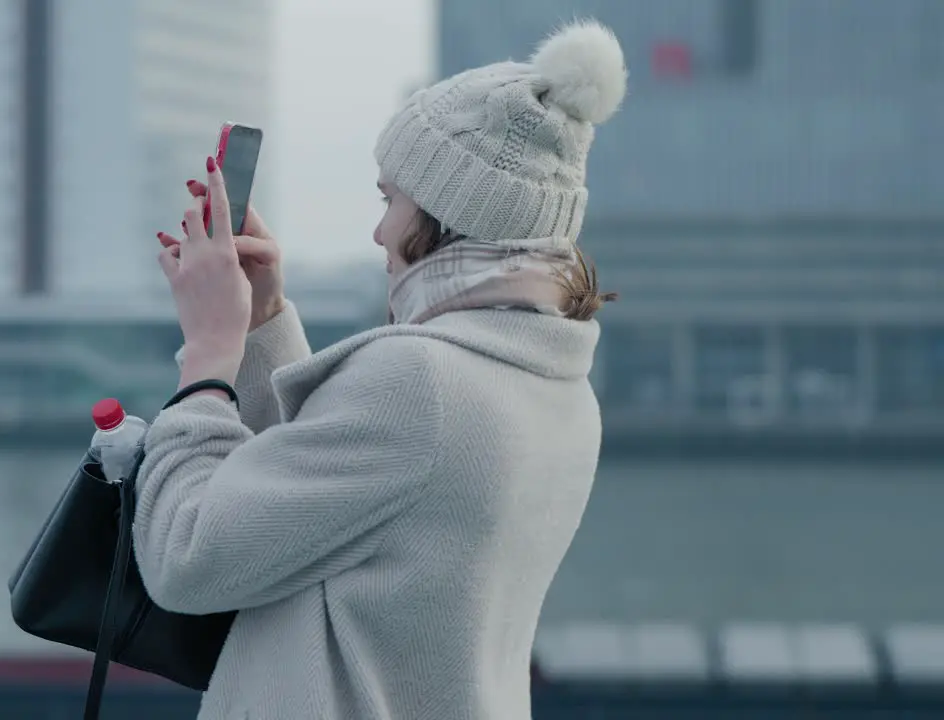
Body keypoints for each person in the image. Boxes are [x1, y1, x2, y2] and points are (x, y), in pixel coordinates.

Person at [139, 19, 626, 720]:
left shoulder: (421, 384)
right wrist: (263, 319)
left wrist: (210, 359)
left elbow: (188, 556)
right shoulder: (558, 390)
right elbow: (336, 501)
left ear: (446, 212)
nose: (378, 232)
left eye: (389, 198)